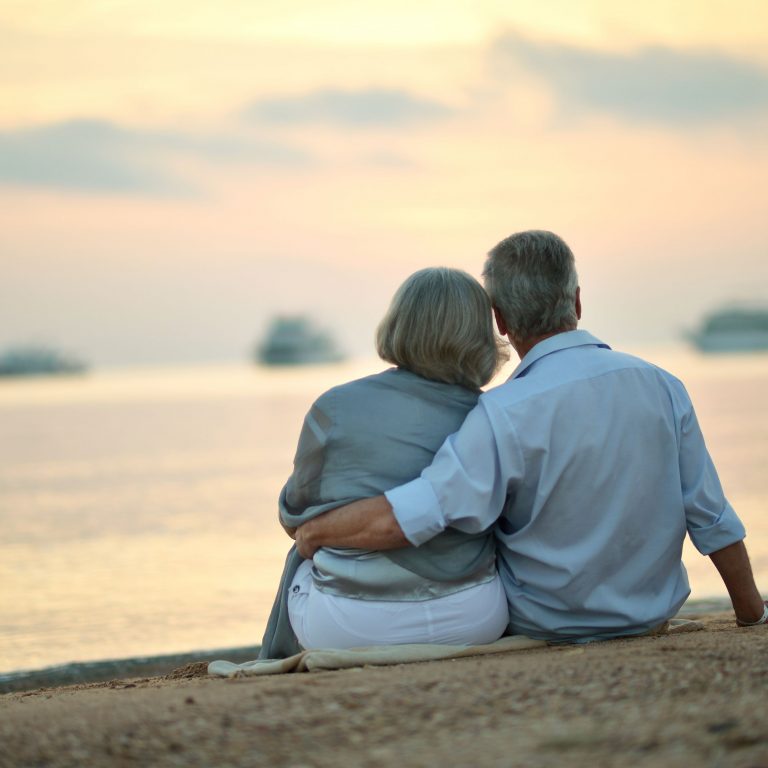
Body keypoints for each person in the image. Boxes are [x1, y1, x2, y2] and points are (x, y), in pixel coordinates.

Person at [294, 230, 767, 640]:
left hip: (548, 622)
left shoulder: (501, 411)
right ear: (577, 300)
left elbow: (419, 514)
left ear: (499, 320)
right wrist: (751, 613)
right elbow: (709, 514)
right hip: (651, 615)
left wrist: (317, 530)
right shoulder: (662, 385)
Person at [260, 267, 510, 658]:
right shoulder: (494, 415)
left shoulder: (334, 407)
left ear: (397, 324)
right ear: (480, 337)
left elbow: (294, 520)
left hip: (348, 624)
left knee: (304, 554)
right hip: (474, 619)